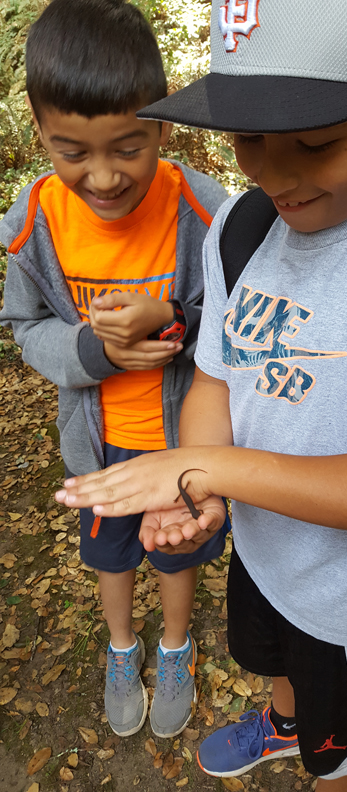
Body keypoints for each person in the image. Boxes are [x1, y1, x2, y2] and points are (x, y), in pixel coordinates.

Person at [54, 0, 347, 789]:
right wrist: (197, 480)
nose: (270, 172)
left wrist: (212, 474)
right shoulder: (240, 226)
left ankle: (338, 747)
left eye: (314, 141)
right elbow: (215, 375)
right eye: (248, 138)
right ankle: (282, 720)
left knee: (342, 750)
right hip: (264, 558)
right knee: (274, 659)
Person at [0, 0, 229, 741]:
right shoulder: (35, 220)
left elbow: (234, 328)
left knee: (175, 548)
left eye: (128, 148)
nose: (102, 177)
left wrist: (172, 321)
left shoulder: (202, 210)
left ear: (164, 126)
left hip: (182, 442)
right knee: (111, 552)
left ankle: (174, 648)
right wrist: (92, 352)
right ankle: (121, 647)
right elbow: (26, 328)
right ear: (41, 134)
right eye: (73, 152)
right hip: (96, 448)